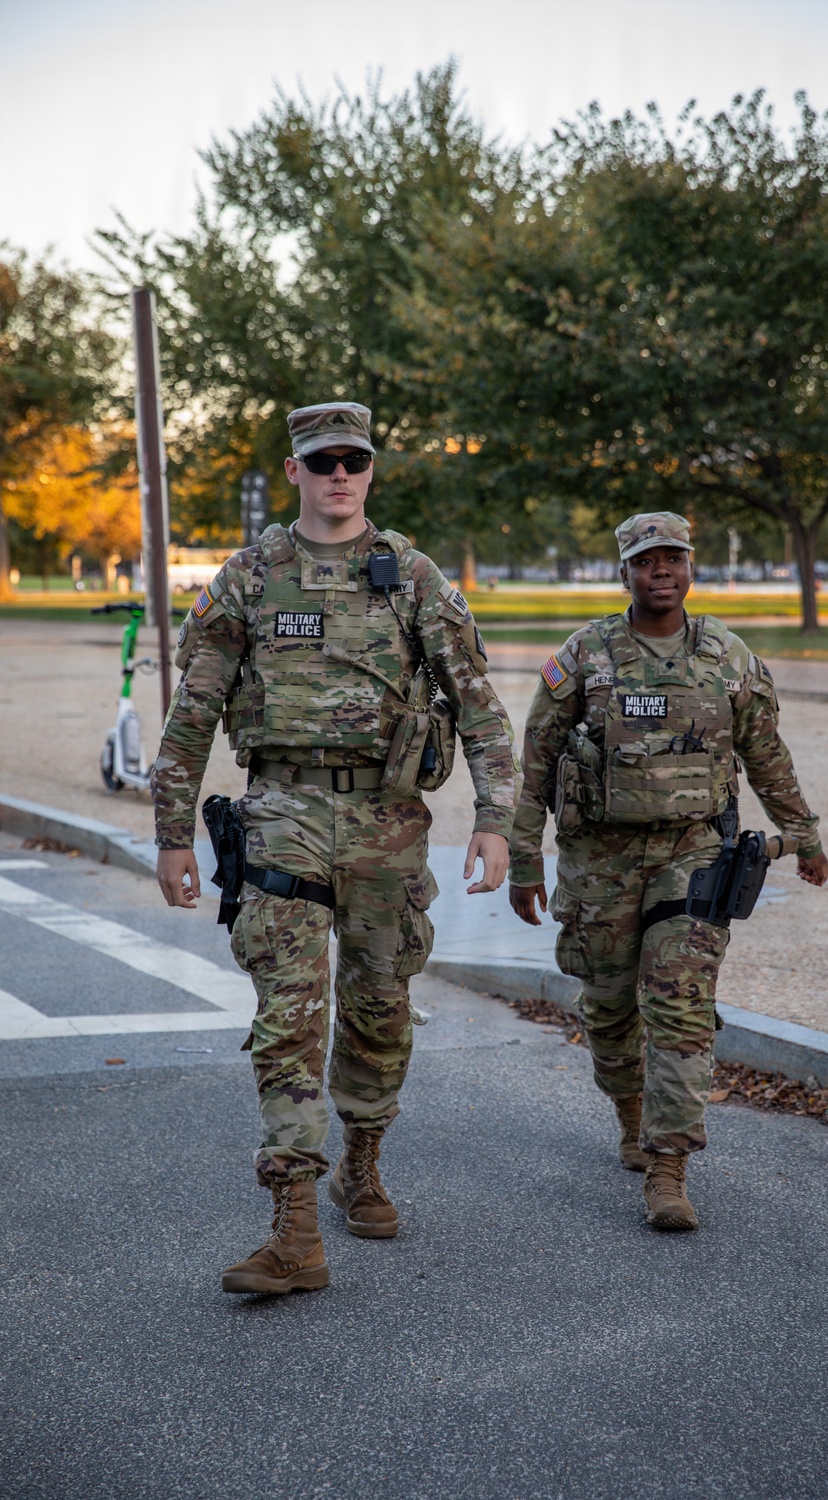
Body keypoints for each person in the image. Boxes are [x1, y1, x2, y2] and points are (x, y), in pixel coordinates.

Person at [153, 401, 520, 1294]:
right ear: (296, 473)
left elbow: (477, 702)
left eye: (354, 460)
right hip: (282, 809)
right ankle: (293, 1225)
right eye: (323, 462)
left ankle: (363, 1157)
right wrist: (172, 834)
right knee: (289, 1009)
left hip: (389, 822)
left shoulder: (411, 576)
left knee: (379, 1007)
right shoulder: (249, 576)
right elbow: (193, 709)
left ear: (370, 470)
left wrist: (496, 817)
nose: (340, 475)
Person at [508, 512, 828, 1232]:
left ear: (690, 566)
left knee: (680, 1005)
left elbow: (766, 753)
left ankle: (669, 1165)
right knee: (610, 1012)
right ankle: (630, 1114)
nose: (662, 572)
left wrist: (803, 834)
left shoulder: (725, 655)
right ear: (624, 571)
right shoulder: (586, 656)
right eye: (647, 561)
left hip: (693, 854)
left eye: (674, 559)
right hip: (600, 861)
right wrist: (523, 855)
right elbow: (535, 764)